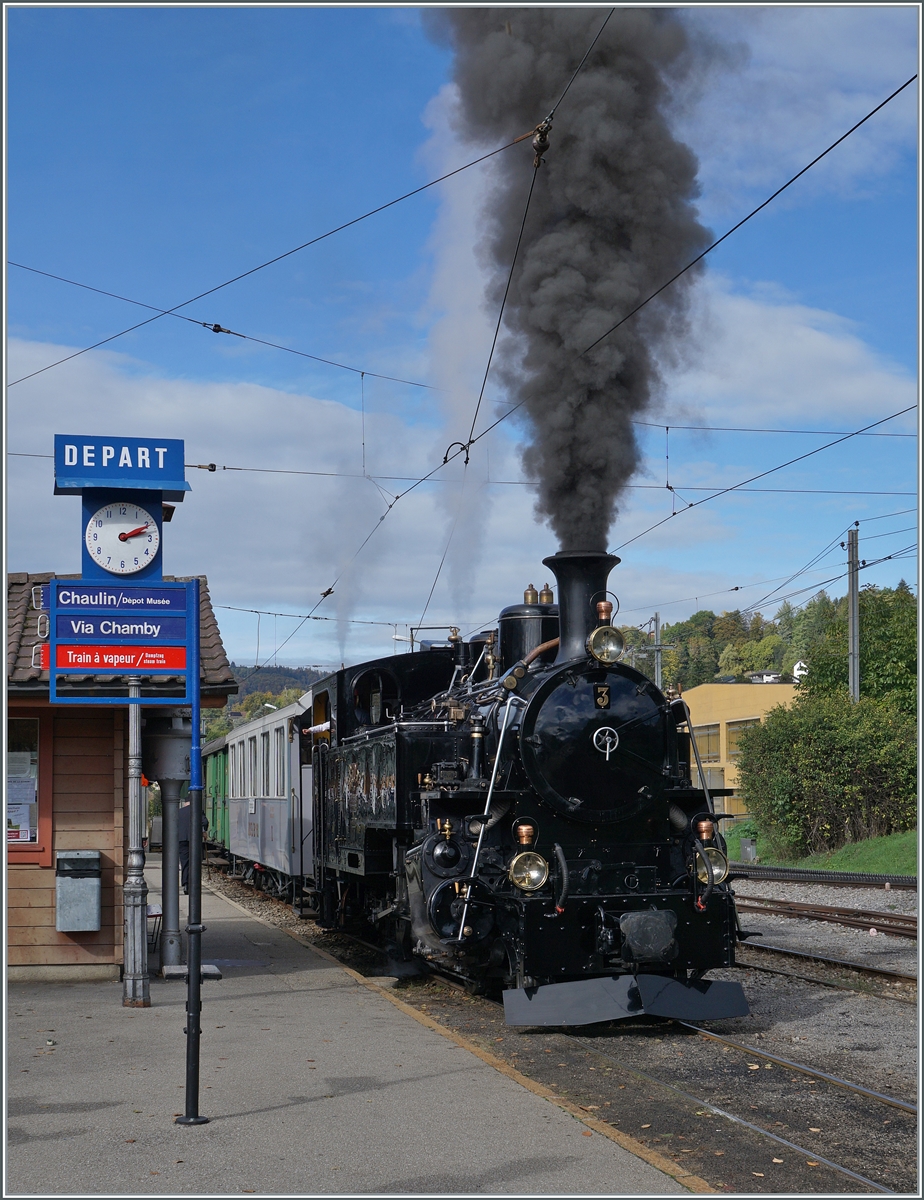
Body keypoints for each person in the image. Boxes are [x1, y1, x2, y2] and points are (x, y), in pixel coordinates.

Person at [177, 799, 209, 895]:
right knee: (195, 862)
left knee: (185, 862)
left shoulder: (179, 812)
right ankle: (193, 884)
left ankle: (185, 884)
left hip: (182, 840)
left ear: (185, 803)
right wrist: (203, 831)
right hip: (195, 839)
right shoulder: (198, 810)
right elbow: (205, 822)